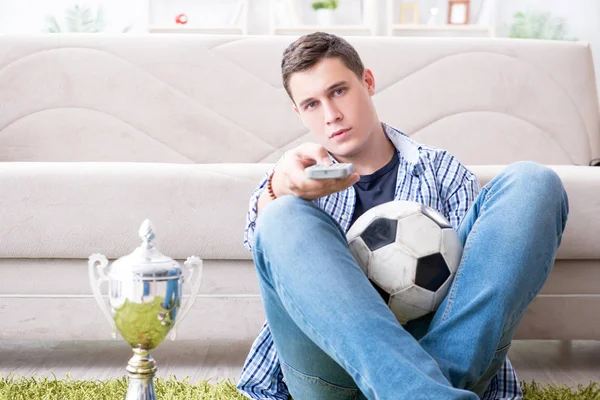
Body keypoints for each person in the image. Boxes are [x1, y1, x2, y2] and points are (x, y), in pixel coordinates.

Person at [236, 32, 569, 400]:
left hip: (442, 362)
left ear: (368, 82)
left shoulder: (442, 171)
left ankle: (420, 390)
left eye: (338, 91)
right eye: (312, 104)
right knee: (282, 216)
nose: (331, 115)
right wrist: (282, 184)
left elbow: (478, 288)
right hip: (332, 376)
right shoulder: (293, 180)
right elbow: (263, 242)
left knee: (533, 182)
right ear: (299, 113)